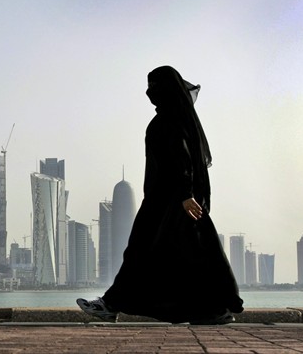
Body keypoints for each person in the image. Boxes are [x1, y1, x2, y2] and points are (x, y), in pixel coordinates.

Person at [77, 66, 243, 324]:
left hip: (170, 201)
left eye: (155, 85)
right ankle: (210, 311)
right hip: (168, 199)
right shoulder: (172, 118)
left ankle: (110, 304)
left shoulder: (170, 121)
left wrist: (186, 195)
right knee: (184, 256)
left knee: (143, 252)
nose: (149, 92)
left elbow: (182, 159)